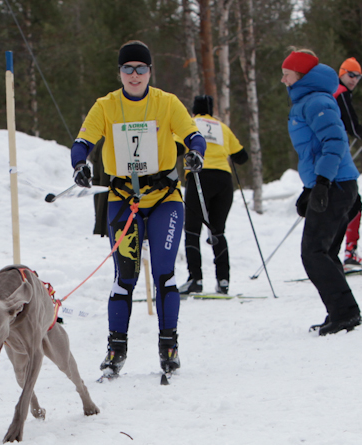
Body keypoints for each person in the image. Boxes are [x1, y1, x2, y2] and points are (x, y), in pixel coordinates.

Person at [70, 40, 206, 379]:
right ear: (119, 72)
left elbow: (193, 136)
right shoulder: (106, 106)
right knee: (125, 276)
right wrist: (80, 165)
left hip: (164, 199)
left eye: (141, 69)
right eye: (128, 69)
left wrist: (195, 154)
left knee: (164, 274)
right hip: (123, 200)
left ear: (149, 72)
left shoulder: (166, 103)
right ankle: (116, 348)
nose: (134, 75)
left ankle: (169, 346)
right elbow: (82, 143)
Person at [282, 49, 362, 336]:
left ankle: (345, 313)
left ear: (301, 75)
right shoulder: (308, 100)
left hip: (336, 184)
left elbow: (335, 142)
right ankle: (342, 311)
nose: (283, 80)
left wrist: (323, 183)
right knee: (324, 251)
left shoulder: (316, 101)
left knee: (314, 252)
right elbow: (314, 150)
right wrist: (310, 188)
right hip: (334, 182)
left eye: (287, 74)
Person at [178, 95, 249, 295]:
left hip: (199, 176)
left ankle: (195, 279)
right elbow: (241, 157)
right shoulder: (222, 127)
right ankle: (223, 280)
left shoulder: (189, 123)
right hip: (224, 180)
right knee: (218, 231)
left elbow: (176, 147)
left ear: (194, 110)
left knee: (192, 229)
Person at [333, 58, 362, 270]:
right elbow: (351, 123)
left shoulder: (332, 91)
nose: (354, 80)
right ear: (341, 73)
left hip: (329, 154)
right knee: (352, 202)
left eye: (358, 77)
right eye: (351, 75)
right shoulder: (340, 93)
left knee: (346, 202)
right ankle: (346, 253)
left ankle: (336, 253)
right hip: (336, 155)